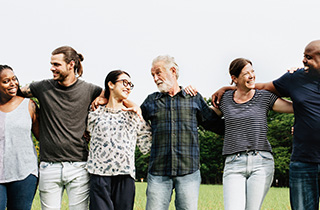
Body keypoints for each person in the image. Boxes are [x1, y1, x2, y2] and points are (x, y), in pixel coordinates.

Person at [212, 40, 320, 210]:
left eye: (309, 57)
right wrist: (228, 87)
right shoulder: (295, 78)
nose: (304, 61)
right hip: (303, 160)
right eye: (303, 56)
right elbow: (261, 87)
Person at [20, 46, 103, 210]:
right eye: (51, 64)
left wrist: (133, 106)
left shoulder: (90, 90)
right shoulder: (42, 87)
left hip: (79, 166)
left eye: (56, 64)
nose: (52, 68)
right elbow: (13, 92)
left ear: (71, 64)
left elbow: (114, 95)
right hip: (48, 166)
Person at [141, 55, 224, 210]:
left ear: (172, 71)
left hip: (188, 171)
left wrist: (239, 111)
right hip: (158, 171)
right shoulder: (151, 101)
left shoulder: (194, 98)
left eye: (158, 73)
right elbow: (132, 122)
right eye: (152, 75)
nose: (155, 78)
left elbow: (215, 124)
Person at [211, 58, 293, 210]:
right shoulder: (225, 99)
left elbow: (295, 107)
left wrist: (300, 79)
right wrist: (192, 93)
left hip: (261, 163)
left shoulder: (264, 97)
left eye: (252, 71)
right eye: (246, 73)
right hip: (233, 163)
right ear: (234, 78)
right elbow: (205, 115)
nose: (252, 76)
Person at [86, 70, 152, 210]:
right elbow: (84, 135)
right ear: (110, 84)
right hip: (99, 175)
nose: (128, 87)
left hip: (125, 175)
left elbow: (148, 145)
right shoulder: (94, 114)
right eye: (124, 82)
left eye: (130, 84)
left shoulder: (135, 116)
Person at [0, 65, 39, 210]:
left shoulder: (29, 105)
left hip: (24, 172)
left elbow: (43, 136)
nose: (12, 83)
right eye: (6, 81)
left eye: (14, 79)